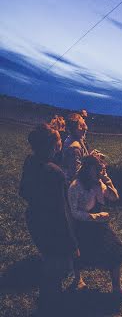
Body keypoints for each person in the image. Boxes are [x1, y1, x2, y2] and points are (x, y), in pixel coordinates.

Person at [19, 124, 79, 314]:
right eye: (59, 140)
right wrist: (73, 243)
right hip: (54, 228)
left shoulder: (30, 161)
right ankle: (50, 303)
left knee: (49, 260)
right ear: (54, 146)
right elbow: (62, 212)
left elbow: (23, 191)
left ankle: (49, 297)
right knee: (62, 267)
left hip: (35, 219)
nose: (62, 142)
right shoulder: (55, 173)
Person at [68, 154, 122, 299]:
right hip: (82, 226)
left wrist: (107, 179)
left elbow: (114, 197)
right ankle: (77, 279)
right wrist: (94, 216)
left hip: (100, 226)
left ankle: (117, 289)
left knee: (115, 252)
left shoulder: (99, 183)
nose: (99, 173)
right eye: (97, 170)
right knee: (79, 255)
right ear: (87, 169)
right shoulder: (75, 186)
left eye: (101, 170)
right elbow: (73, 212)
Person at [62, 113, 90, 185]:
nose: (86, 127)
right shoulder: (74, 148)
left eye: (84, 124)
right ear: (73, 129)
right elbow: (74, 174)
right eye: (81, 126)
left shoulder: (76, 138)